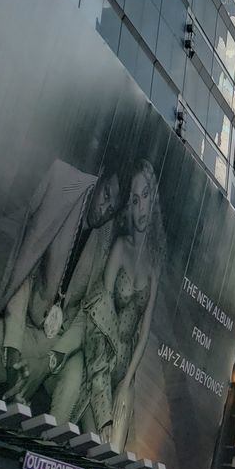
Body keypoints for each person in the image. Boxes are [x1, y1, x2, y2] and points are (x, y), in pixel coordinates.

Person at [0, 160, 123, 417]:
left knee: (72, 385)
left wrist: (49, 362)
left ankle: (43, 455)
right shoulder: (62, 185)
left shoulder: (108, 239)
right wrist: (12, 349)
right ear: (100, 175)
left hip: (60, 346)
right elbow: (25, 270)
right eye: (106, 195)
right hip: (26, 326)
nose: (103, 211)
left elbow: (88, 314)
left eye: (112, 210)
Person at [66, 159, 162, 450]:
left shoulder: (153, 267)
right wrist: (105, 385)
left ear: (153, 198)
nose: (141, 208)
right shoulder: (120, 248)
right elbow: (100, 313)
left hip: (125, 372)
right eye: (134, 200)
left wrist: (126, 383)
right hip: (101, 361)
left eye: (145, 196)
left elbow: (143, 332)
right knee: (95, 451)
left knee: (113, 457)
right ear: (129, 208)